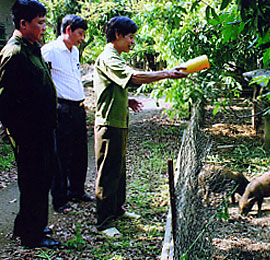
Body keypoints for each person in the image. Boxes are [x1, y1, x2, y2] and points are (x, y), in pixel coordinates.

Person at [93, 16, 187, 229]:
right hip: (109, 124)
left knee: (118, 169)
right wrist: (166, 74)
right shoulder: (109, 57)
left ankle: (117, 210)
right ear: (117, 35)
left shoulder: (115, 56)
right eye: (130, 37)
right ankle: (104, 222)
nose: (132, 42)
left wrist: (127, 99)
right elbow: (133, 77)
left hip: (118, 121)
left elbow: (115, 85)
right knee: (108, 171)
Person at [0, 0, 59, 248]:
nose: (44, 27)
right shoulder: (14, 53)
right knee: (33, 179)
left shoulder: (32, 47)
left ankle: (28, 225)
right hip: (29, 132)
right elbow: (4, 98)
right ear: (24, 24)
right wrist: (18, 131)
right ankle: (32, 236)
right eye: (40, 22)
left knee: (42, 177)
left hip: (42, 129)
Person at [42, 15, 94, 214]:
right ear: (68, 30)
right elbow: (43, 80)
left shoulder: (74, 52)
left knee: (79, 152)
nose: (82, 38)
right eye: (79, 34)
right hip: (61, 108)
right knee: (61, 155)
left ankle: (77, 191)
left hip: (78, 108)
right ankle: (60, 198)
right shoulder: (50, 51)